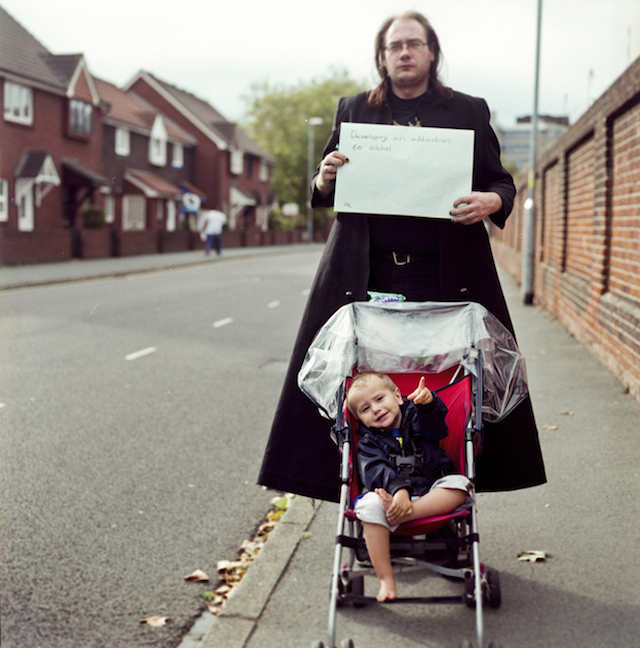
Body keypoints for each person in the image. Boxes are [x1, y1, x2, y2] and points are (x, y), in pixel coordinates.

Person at [259, 11, 546, 502]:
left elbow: (500, 181)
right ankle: (366, 487)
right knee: (360, 382)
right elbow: (325, 184)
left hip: (446, 277)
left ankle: (441, 486)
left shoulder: (468, 110)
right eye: (395, 46)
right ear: (383, 56)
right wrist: (324, 178)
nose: (405, 52)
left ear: (432, 52)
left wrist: (492, 200)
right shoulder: (354, 109)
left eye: (414, 43)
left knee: (444, 384)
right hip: (365, 276)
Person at [347, 372, 473, 602]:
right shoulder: (368, 444)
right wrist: (399, 490)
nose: (376, 409)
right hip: (389, 499)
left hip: (430, 494)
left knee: (460, 485)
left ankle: (408, 513)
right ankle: (386, 579)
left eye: (379, 399)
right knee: (368, 505)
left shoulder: (416, 416)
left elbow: (436, 430)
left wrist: (428, 405)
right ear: (359, 419)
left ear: (397, 396)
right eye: (365, 409)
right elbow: (375, 471)